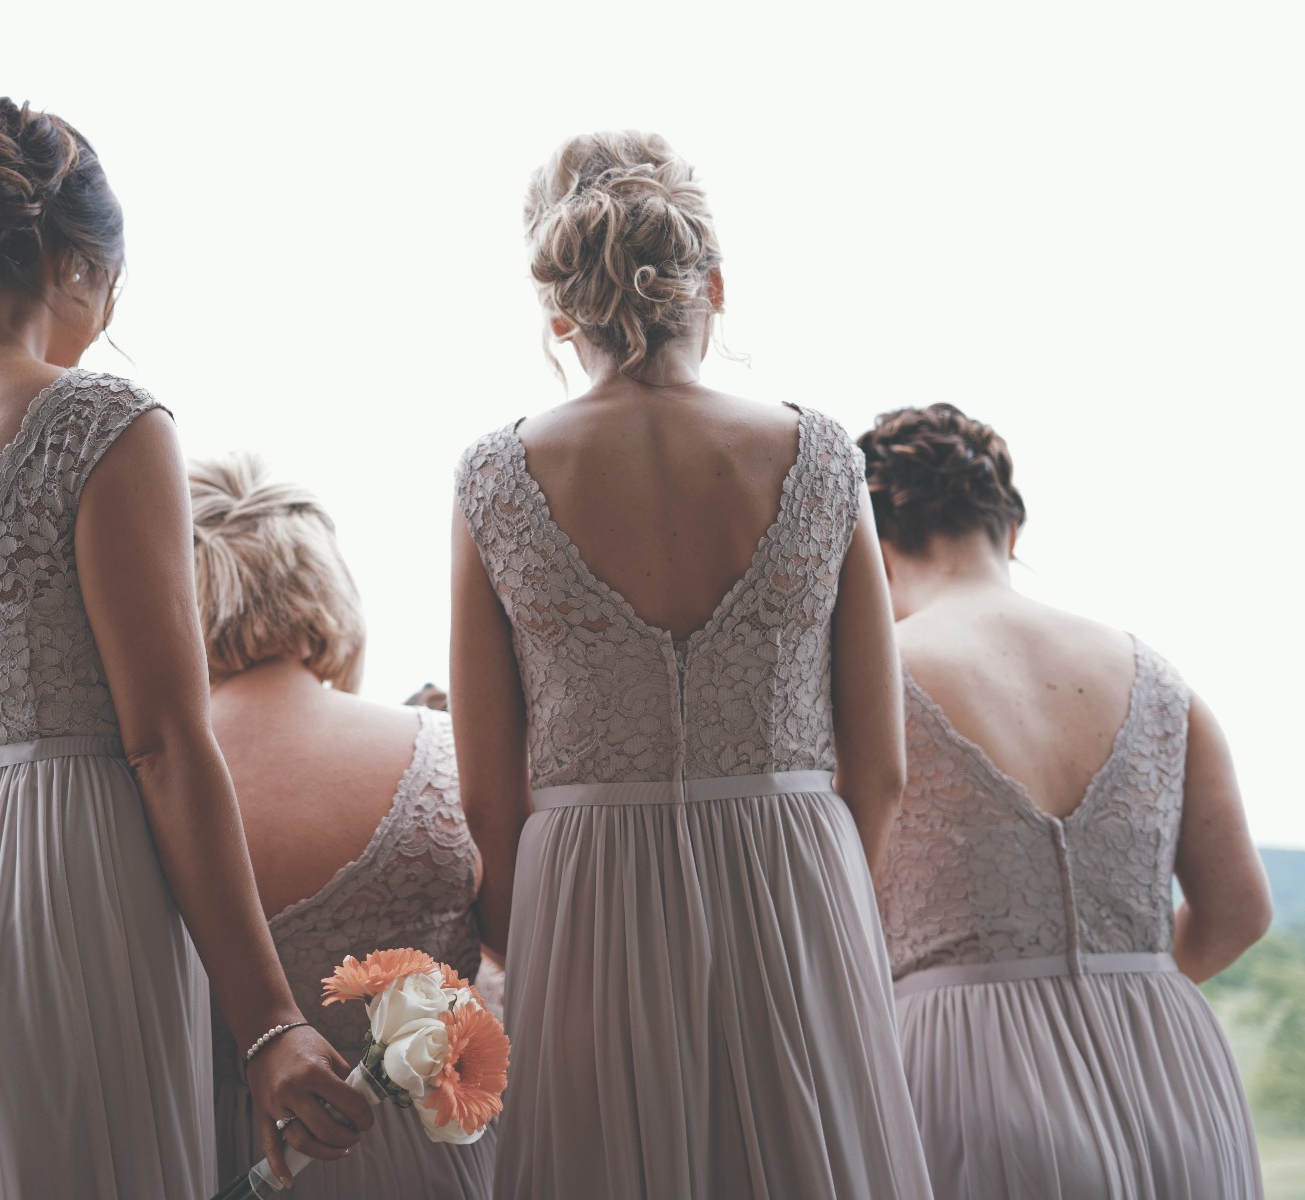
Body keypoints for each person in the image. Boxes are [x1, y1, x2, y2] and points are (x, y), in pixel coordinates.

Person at [0, 87, 369, 1199]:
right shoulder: (100, 422)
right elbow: (162, 741)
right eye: (113, 284)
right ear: (73, 259)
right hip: (60, 903)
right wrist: (267, 1024)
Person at [450, 130, 931, 1199]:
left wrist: (529, 945)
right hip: (795, 869)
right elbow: (880, 766)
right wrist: (828, 908)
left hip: (583, 890)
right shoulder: (820, 458)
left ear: (557, 311)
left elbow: (485, 788)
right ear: (712, 283)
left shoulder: (493, 476)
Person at [861, 403, 1267, 1198]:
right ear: (1009, 534)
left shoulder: (873, 680)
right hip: (1174, 1080)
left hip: (963, 1078)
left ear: (874, 553)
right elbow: (1239, 912)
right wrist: (1121, 988)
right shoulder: (1158, 680)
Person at [192, 452, 495, 1197]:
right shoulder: (443, 752)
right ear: (324, 582)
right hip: (428, 1151)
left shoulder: (130, 781)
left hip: (202, 1148)